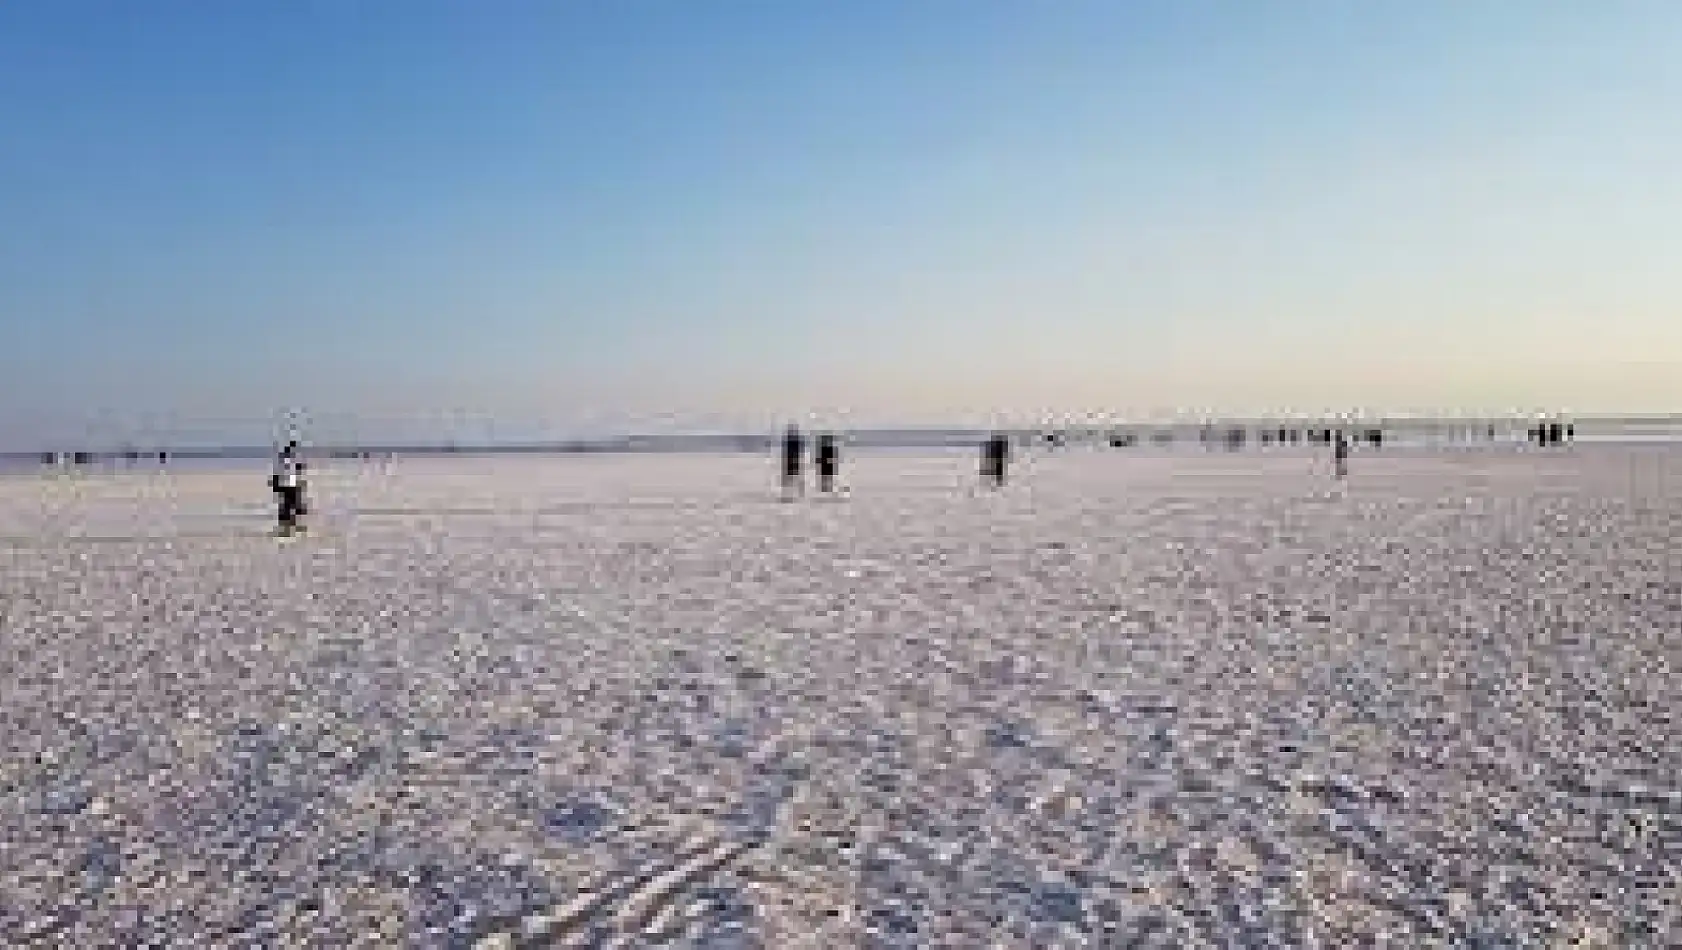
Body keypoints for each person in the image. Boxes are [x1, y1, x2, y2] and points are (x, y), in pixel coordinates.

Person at [272, 441, 307, 535]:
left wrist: (276, 484)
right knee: (291, 506)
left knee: (288, 506)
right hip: (290, 485)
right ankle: (288, 526)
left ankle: (288, 526)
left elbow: (277, 472)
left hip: (287, 485)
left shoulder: (284, 459)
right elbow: (298, 470)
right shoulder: (292, 459)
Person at [780, 425, 805, 498]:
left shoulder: (792, 441)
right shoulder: (793, 441)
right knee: (792, 478)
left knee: (791, 478)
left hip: (791, 461)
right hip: (791, 461)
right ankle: (797, 493)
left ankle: (797, 493)